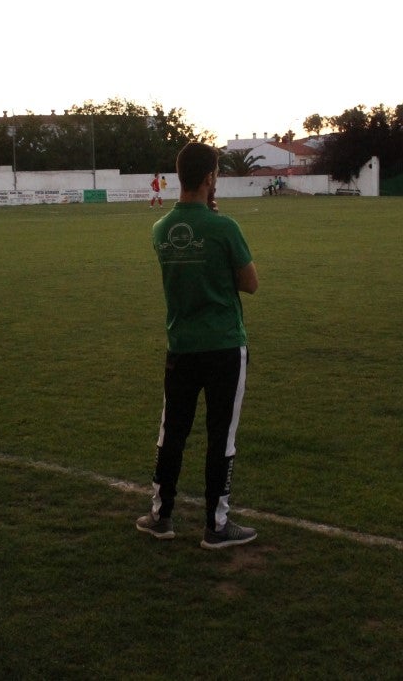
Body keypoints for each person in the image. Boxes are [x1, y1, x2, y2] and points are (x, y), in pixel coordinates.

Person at [137, 142, 259, 549]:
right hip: (224, 345)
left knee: (172, 431)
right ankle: (216, 525)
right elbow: (250, 283)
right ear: (210, 178)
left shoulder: (160, 229)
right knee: (220, 436)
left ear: (178, 177)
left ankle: (161, 516)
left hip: (182, 346)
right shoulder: (225, 228)